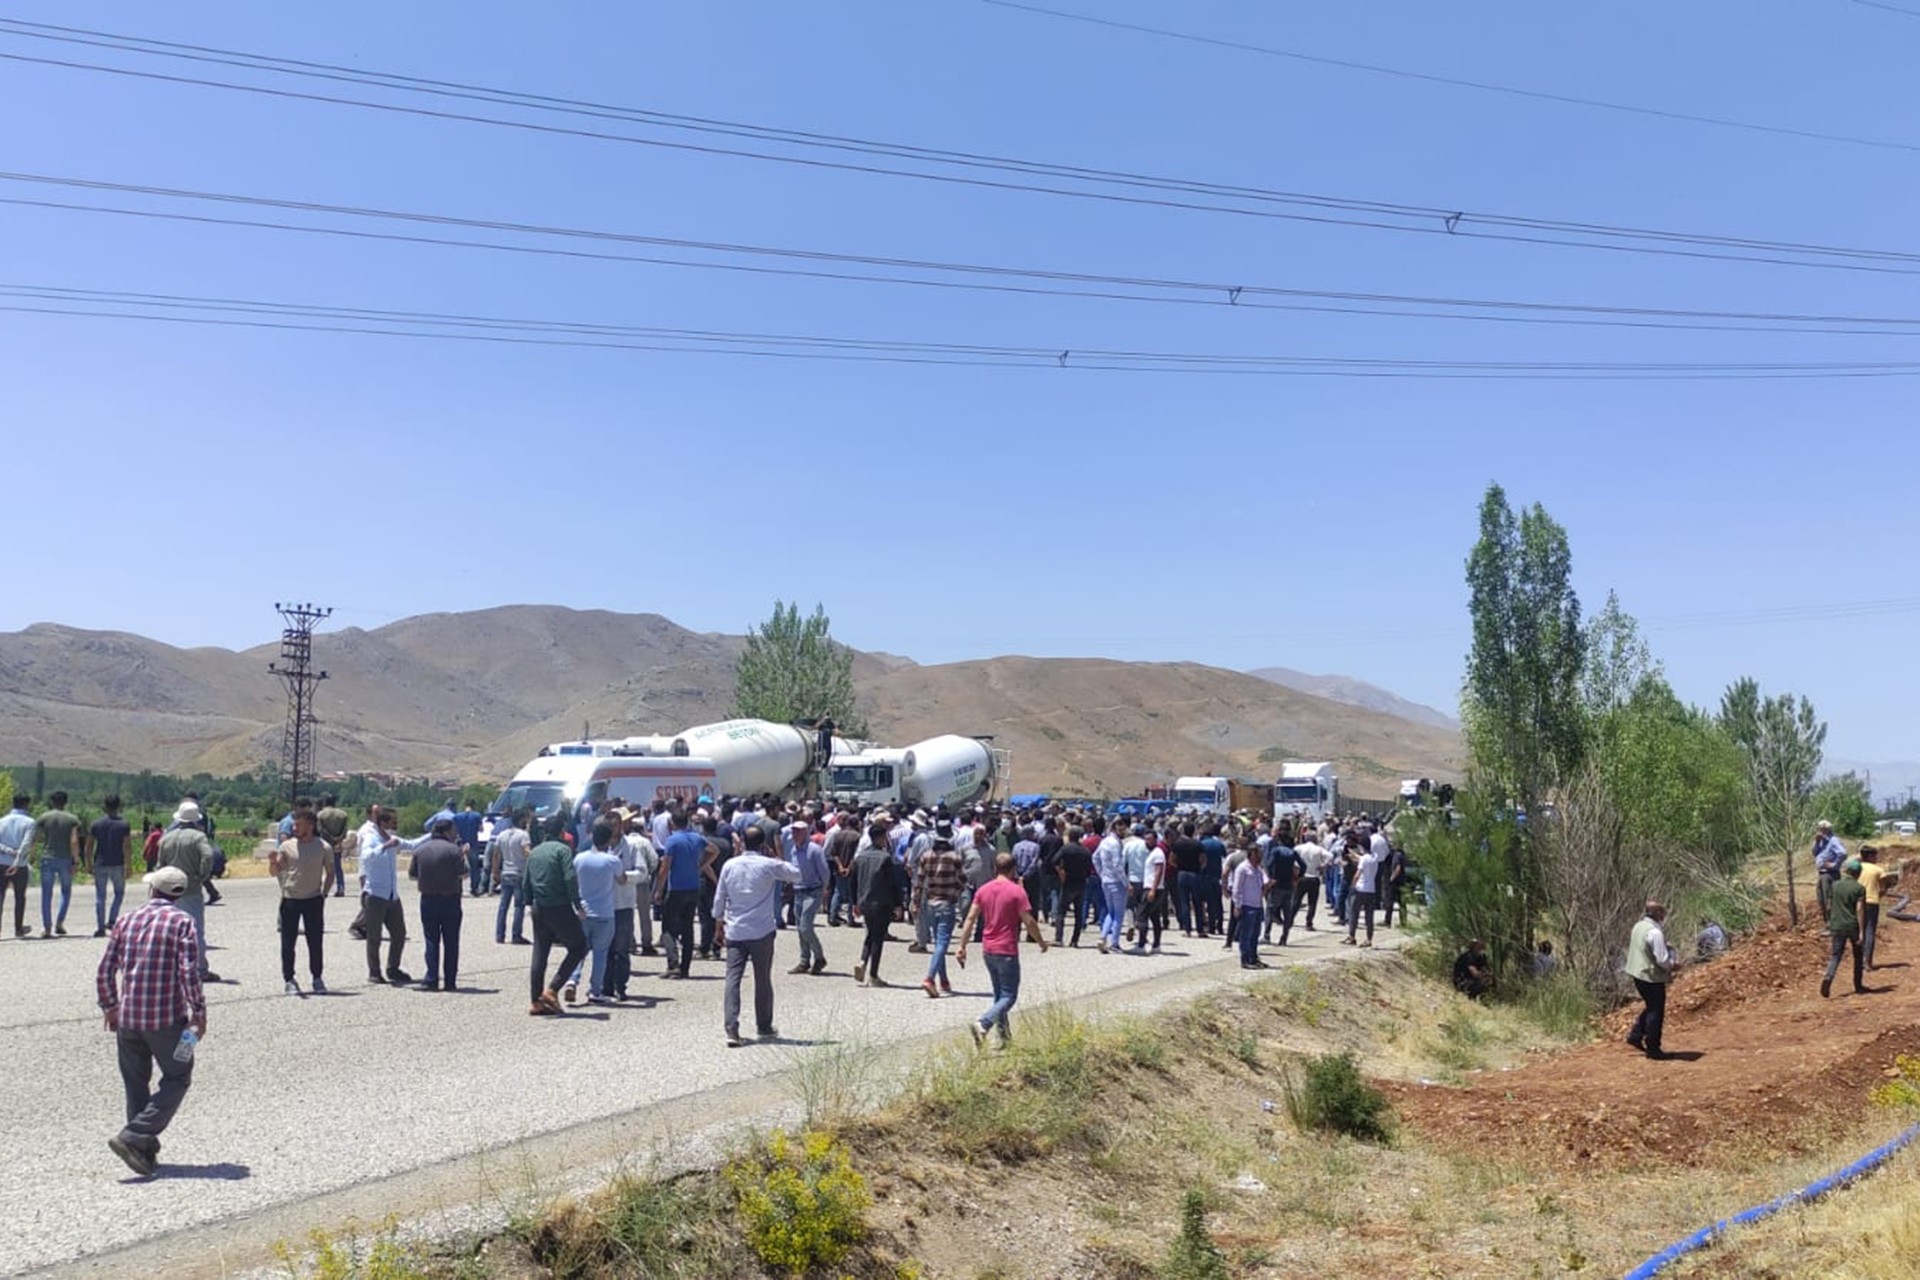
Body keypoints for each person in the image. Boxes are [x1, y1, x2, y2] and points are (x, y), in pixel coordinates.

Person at [95, 866, 207, 1178]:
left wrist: (109, 1005)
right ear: (179, 894)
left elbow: (105, 968)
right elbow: (188, 972)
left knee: (135, 1082)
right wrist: (199, 1012)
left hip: (129, 1018)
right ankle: (133, 1137)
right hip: (164, 1020)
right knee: (178, 1076)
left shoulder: (127, 919)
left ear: (152, 890)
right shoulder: (183, 922)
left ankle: (141, 1149)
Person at [713, 825, 801, 1046]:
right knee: (763, 979)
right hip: (761, 930)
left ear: (742, 841)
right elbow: (796, 875)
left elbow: (719, 898)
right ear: (763, 844)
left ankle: (731, 1029)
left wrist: (718, 924)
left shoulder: (729, 865)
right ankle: (764, 1025)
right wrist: (776, 857)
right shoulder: (769, 865)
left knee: (732, 979)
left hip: (735, 929)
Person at [956, 853, 1051, 1047]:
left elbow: (970, 918)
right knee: (1009, 996)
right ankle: (983, 1023)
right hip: (1006, 948)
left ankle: (1005, 1038)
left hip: (988, 948)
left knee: (999, 995)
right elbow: (1029, 920)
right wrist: (1040, 941)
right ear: (1013, 869)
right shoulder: (1017, 891)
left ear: (995, 868)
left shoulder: (983, 890)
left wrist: (962, 945)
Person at [525, 817, 589, 1015]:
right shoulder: (563, 851)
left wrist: (528, 902)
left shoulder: (534, 851)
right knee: (579, 947)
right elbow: (570, 877)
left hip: (538, 906)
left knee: (540, 952)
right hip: (558, 905)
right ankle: (553, 989)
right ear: (562, 831)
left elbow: (526, 881)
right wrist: (577, 904)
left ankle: (536, 1000)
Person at [269, 807, 334, 994]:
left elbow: (331, 873)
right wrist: (273, 862)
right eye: (294, 824)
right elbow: (275, 872)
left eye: (299, 824)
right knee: (288, 943)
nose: (294, 827)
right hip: (290, 899)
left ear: (310, 825)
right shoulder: (287, 846)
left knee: (315, 941)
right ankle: (289, 979)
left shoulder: (323, 847)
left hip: (313, 899)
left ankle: (317, 977)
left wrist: (324, 894)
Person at [156, 802, 218, 982]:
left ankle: (171, 967)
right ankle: (199, 969)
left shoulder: (167, 837)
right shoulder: (198, 837)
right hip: (190, 887)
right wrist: (202, 875)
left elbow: (160, 863)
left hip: (168, 889)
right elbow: (208, 855)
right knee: (195, 929)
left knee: (170, 930)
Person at [566, 820, 626, 1005]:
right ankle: (595, 990)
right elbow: (622, 880)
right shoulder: (612, 860)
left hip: (583, 910)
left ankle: (572, 980)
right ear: (608, 840)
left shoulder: (579, 858)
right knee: (600, 953)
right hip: (604, 912)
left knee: (579, 951)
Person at [357, 807, 415, 986]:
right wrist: (384, 847)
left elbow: (412, 845)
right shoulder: (371, 837)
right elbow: (366, 857)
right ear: (383, 823)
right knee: (374, 936)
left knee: (399, 933)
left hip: (392, 895)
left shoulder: (392, 838)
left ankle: (393, 968)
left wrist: (433, 835)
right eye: (393, 822)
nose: (395, 825)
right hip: (375, 895)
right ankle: (374, 972)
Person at [408, 817, 467, 991]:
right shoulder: (454, 851)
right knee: (451, 941)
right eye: (453, 830)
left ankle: (431, 978)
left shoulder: (420, 851)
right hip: (451, 900)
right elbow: (464, 874)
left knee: (431, 940)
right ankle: (450, 981)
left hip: (428, 899)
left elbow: (412, 876)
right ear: (447, 832)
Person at [916, 826, 967, 996]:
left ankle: (943, 981)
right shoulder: (954, 858)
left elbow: (919, 881)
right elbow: (962, 879)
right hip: (947, 903)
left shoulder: (926, 856)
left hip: (930, 902)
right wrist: (958, 890)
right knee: (942, 944)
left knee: (939, 943)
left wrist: (915, 902)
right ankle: (930, 978)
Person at [655, 809, 705, 980]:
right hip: (693, 887)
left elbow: (665, 867)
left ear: (671, 824)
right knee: (688, 927)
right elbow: (713, 850)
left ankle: (673, 964)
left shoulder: (672, 841)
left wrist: (658, 890)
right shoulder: (696, 838)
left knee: (668, 928)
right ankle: (685, 967)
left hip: (676, 888)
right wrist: (700, 866)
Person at [1625, 900, 1678, 1058]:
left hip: (1636, 973)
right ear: (1655, 913)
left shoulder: (1638, 926)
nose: (1664, 915)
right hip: (1650, 976)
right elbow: (1662, 960)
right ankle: (1653, 1048)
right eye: (1661, 912)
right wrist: (1673, 965)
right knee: (1656, 1011)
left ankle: (1636, 1035)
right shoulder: (1655, 933)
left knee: (1651, 1006)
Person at [852, 820, 900, 986]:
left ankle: (863, 960)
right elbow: (892, 884)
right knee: (878, 938)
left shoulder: (860, 857)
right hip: (881, 903)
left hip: (864, 902)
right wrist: (898, 905)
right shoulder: (885, 858)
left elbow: (853, 881)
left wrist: (854, 903)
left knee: (870, 933)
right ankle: (873, 975)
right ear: (880, 838)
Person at [34, 790, 82, 937]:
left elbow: (37, 838)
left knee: (46, 893)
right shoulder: (72, 819)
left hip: (48, 857)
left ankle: (47, 927)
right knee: (66, 891)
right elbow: (73, 841)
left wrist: (33, 855)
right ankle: (59, 922)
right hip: (65, 858)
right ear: (65, 802)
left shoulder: (44, 817)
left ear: (52, 801)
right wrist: (76, 859)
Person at [788, 813, 830, 976]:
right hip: (798, 890)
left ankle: (819, 957)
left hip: (813, 890)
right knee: (800, 928)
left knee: (806, 926)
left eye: (798, 831)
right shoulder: (793, 849)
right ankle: (804, 961)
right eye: (793, 831)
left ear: (805, 832)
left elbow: (824, 872)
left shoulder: (814, 849)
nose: (795, 834)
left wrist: (824, 889)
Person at [1823, 859, 1868, 999]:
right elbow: (1859, 909)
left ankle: (1828, 978)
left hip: (1837, 925)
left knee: (1835, 955)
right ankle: (1858, 985)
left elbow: (1829, 906)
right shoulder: (1859, 888)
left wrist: (1830, 922)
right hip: (1852, 925)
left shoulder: (1835, 885)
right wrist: (1861, 931)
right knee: (1858, 956)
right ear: (1858, 873)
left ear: (1847, 871)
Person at [88, 795, 133, 937]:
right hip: (117, 863)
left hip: (100, 862)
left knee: (100, 896)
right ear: (118, 806)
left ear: (105, 806)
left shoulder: (96, 824)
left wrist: (88, 863)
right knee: (119, 892)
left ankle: (100, 927)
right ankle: (112, 919)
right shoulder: (124, 825)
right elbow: (127, 846)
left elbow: (89, 846)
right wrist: (129, 865)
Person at [491, 808, 533, 944]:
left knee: (503, 905)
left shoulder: (502, 835)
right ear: (521, 820)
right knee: (518, 906)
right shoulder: (523, 835)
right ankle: (516, 934)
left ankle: (499, 934)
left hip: (506, 872)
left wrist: (495, 871)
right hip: (519, 872)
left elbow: (496, 854)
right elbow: (526, 852)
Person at [1092, 816, 1129, 955]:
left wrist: (1102, 874)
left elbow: (1095, 858)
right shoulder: (1115, 843)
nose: (1123, 830)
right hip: (1116, 881)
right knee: (1118, 914)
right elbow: (1118, 866)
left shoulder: (1104, 841)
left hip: (1106, 881)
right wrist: (1126, 883)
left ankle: (1103, 936)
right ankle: (1114, 942)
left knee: (1110, 911)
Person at [1858, 845, 1899, 971]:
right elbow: (1883, 888)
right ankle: (1867, 961)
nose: (1877, 857)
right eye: (1875, 855)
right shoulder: (1878, 870)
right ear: (1870, 856)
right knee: (1870, 930)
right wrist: (1881, 894)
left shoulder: (1856, 868)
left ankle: (1858, 960)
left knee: (1859, 930)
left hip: (1856, 902)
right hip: (1871, 901)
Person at [1227, 843, 1268, 969]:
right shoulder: (1243, 868)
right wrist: (1237, 906)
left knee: (1255, 934)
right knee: (1246, 934)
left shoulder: (1258, 869)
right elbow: (1237, 888)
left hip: (1257, 905)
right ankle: (1245, 960)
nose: (1260, 856)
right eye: (1258, 854)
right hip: (1246, 905)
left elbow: (1264, 883)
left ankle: (1253, 957)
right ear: (1251, 854)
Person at [314, 794, 351, 898]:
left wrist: (330, 838)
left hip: (324, 844)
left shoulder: (320, 814)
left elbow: (321, 829)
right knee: (338, 866)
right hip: (337, 844)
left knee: (320, 866)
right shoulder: (343, 814)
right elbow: (345, 829)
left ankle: (320, 889)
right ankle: (341, 887)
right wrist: (338, 839)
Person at [1813, 820, 1847, 919]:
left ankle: (1833, 924)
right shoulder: (1820, 841)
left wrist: (1834, 865)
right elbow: (1814, 853)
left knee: (1829, 899)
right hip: (1821, 873)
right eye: (1819, 829)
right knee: (1822, 900)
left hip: (1830, 874)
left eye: (1821, 829)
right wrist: (1816, 841)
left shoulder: (1833, 840)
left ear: (1826, 829)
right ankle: (1827, 922)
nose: (1819, 831)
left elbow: (1843, 853)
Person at [452, 801, 486, 897]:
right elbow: (481, 829)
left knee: (458, 866)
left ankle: (459, 889)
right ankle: (474, 889)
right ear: (473, 806)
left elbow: (454, 830)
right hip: (473, 844)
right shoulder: (477, 816)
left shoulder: (457, 816)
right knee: (474, 867)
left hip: (460, 844)